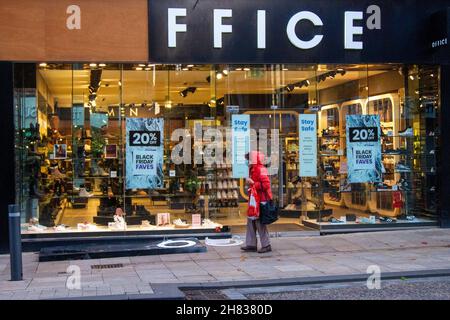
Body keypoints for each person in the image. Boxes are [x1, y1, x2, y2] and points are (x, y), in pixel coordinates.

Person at [241, 151, 273, 253]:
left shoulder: (261, 169)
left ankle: (266, 245)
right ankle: (251, 244)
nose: (247, 161)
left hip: (261, 200)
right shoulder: (253, 169)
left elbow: (266, 185)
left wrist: (253, 183)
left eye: (249, 159)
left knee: (259, 223)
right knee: (251, 221)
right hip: (254, 200)